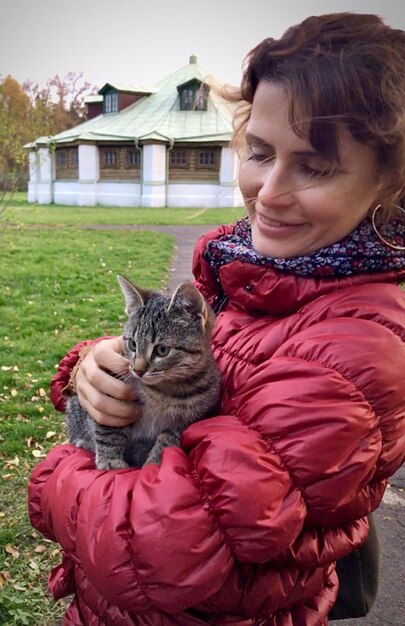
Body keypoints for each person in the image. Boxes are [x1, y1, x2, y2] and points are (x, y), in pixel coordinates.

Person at [28, 12, 405, 626]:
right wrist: (91, 370)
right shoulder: (255, 274)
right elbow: (211, 356)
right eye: (258, 151)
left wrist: (54, 474)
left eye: (315, 166)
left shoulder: (353, 354)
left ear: (390, 182)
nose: (269, 190)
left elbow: (163, 547)